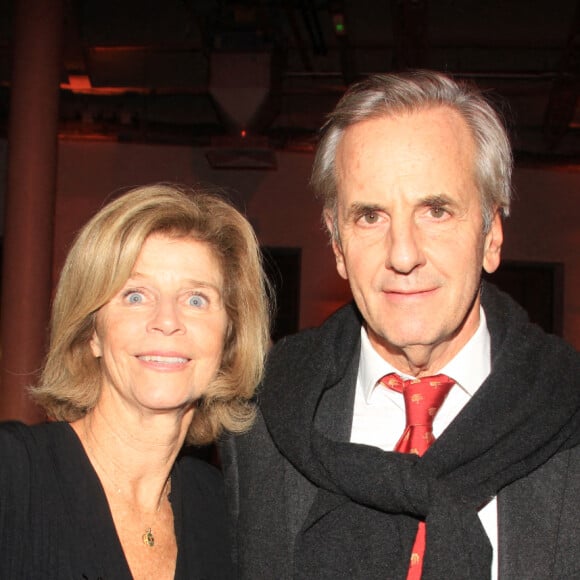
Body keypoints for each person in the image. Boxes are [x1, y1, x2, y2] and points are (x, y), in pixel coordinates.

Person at [220, 70, 580, 579]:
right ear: (337, 245)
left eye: (436, 210)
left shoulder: (569, 415)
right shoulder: (259, 420)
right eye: (371, 216)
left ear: (492, 234)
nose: (403, 254)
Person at [0, 183, 271, 579]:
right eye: (135, 295)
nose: (167, 320)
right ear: (92, 331)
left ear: (228, 339)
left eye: (196, 299)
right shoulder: (13, 475)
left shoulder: (225, 511)